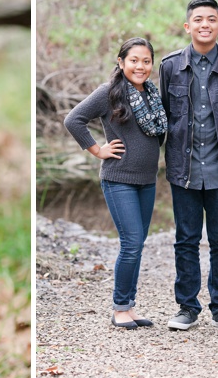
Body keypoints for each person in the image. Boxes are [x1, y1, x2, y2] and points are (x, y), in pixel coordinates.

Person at [159, 0, 218, 331]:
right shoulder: (170, 67)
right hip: (183, 171)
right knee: (185, 239)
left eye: (211, 19)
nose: (205, 25)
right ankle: (187, 307)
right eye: (198, 19)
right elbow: (164, 115)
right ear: (187, 26)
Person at [64, 37, 167, 330]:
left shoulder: (152, 94)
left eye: (146, 61)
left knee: (138, 243)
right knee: (131, 242)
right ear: (121, 63)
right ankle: (119, 308)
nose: (140, 66)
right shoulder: (109, 92)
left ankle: (130, 306)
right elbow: (74, 120)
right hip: (118, 179)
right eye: (134, 60)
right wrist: (98, 150)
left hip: (147, 181)